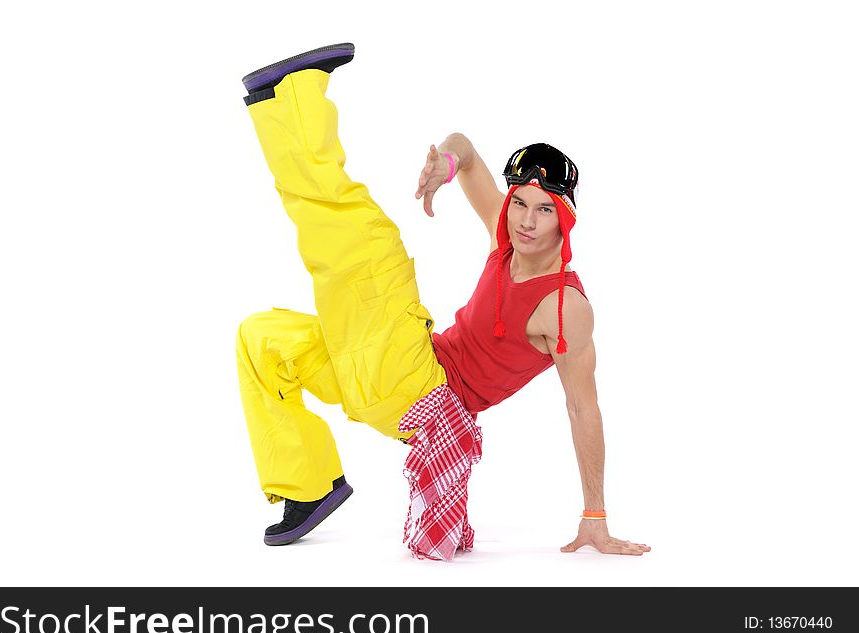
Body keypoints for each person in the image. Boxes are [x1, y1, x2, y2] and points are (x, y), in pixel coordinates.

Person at [235, 43, 650, 558]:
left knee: (361, 241)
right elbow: (468, 149)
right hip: (387, 389)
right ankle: (308, 487)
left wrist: (595, 516)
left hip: (422, 390)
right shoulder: (509, 237)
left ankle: (290, 96)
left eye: (543, 211)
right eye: (519, 202)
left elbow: (583, 407)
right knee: (263, 340)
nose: (524, 220)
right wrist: (448, 165)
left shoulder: (564, 306)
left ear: (565, 219)